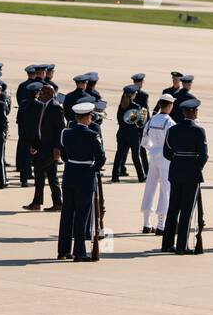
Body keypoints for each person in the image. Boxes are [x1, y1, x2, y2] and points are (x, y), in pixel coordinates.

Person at [57, 101, 107, 261]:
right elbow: (101, 158)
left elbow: (63, 154)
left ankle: (63, 250)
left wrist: (72, 163)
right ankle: (79, 252)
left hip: (69, 174)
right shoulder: (92, 135)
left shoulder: (66, 133)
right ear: (88, 117)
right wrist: (92, 169)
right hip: (85, 176)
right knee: (81, 215)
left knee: (66, 214)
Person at [161, 98, 208, 255]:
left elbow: (167, 153)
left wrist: (178, 162)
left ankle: (167, 244)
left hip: (175, 171)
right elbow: (203, 156)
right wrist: (196, 168)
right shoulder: (199, 131)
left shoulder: (173, 129)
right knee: (187, 210)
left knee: (173, 209)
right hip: (191, 174)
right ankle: (182, 245)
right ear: (193, 112)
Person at [23, 84, 65, 211]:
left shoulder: (55, 108)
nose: (39, 95)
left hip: (50, 149)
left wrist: (58, 148)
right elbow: (41, 128)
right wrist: (35, 144)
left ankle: (37, 202)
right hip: (43, 147)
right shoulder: (44, 106)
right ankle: (57, 203)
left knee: (39, 172)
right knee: (52, 176)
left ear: (49, 95)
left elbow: (60, 130)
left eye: (41, 93)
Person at [139, 94, 176, 233]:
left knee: (150, 187)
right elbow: (173, 143)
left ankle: (146, 223)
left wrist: (153, 148)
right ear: (170, 106)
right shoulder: (170, 122)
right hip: (165, 157)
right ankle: (161, 224)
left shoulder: (151, 120)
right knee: (165, 189)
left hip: (153, 155)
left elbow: (144, 142)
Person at [111, 85, 146, 182]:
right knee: (135, 156)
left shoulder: (121, 106)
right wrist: (143, 119)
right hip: (133, 135)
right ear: (132, 95)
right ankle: (141, 176)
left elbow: (119, 119)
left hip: (122, 133)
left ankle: (115, 176)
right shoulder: (135, 106)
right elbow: (139, 124)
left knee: (119, 155)